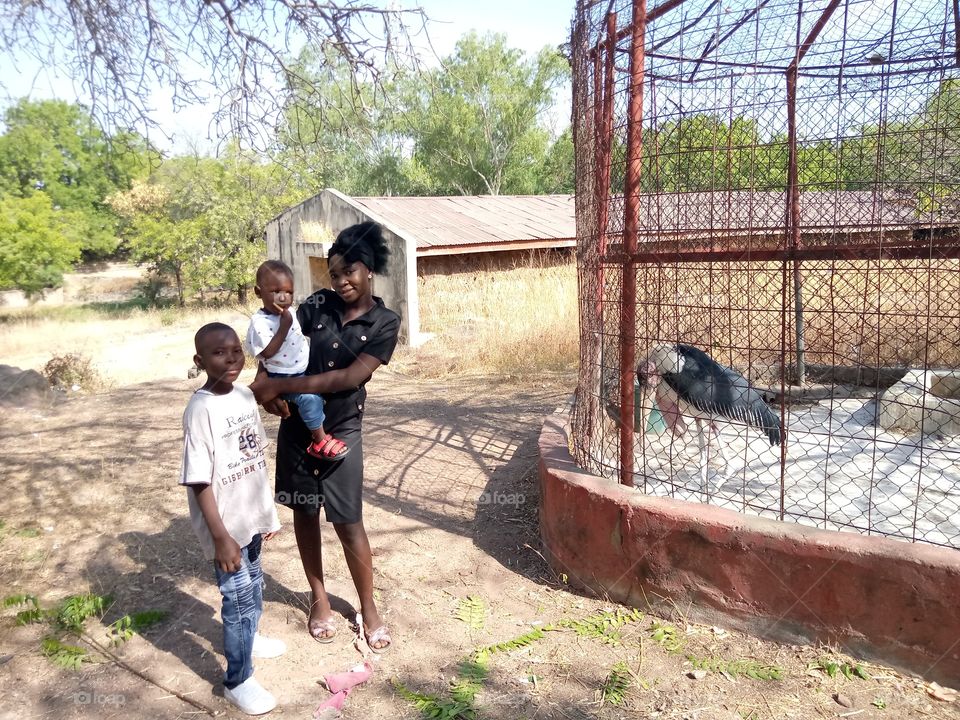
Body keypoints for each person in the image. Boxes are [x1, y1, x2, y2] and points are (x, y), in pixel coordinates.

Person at [250, 222, 399, 653]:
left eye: (349, 271)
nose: (341, 281)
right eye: (334, 274)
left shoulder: (385, 320)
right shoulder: (316, 305)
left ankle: (367, 608)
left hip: (342, 428)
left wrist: (281, 389)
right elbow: (277, 347)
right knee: (304, 513)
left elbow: (350, 376)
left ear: (368, 269)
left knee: (348, 520)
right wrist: (264, 386)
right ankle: (319, 601)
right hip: (297, 425)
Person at [180, 322, 285, 716]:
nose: (230, 359)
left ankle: (251, 637)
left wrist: (266, 514)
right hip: (226, 527)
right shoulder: (201, 409)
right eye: (218, 353)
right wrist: (220, 537)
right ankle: (238, 680)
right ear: (200, 361)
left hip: (251, 517)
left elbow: (255, 459)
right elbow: (198, 480)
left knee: (255, 584)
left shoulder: (243, 396)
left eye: (236, 351)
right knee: (237, 600)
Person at [245, 260, 349, 461]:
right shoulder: (261, 322)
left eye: (289, 292)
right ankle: (319, 439)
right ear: (259, 292)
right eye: (275, 292)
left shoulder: (289, 312)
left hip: (300, 371)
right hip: (283, 376)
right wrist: (284, 327)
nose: (283, 297)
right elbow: (267, 353)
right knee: (309, 399)